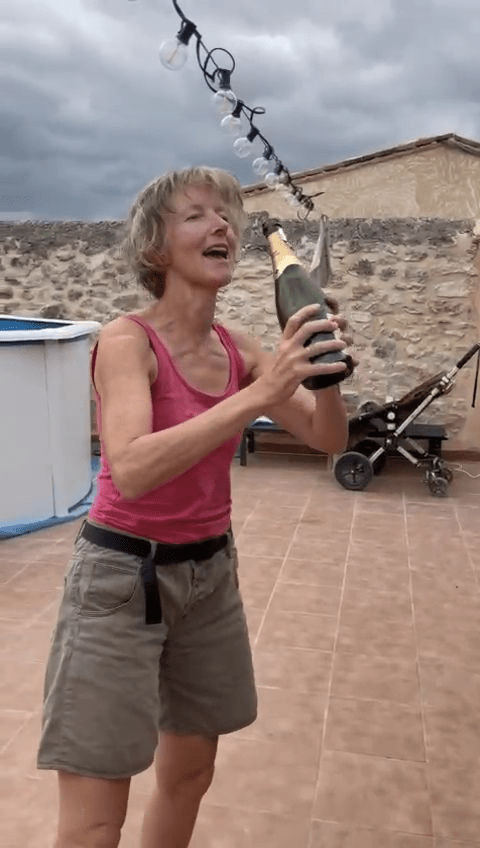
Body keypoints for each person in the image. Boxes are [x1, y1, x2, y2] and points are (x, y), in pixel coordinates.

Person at [37, 165, 354, 848]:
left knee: (190, 774)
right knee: (95, 820)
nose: (223, 226)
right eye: (197, 214)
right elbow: (131, 467)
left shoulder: (239, 346)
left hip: (209, 577)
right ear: (155, 247)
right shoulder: (127, 340)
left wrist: (324, 370)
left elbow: (329, 439)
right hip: (120, 580)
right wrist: (262, 393)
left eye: (227, 216)